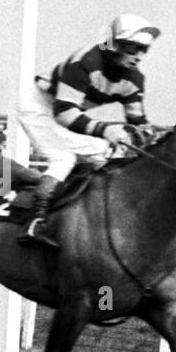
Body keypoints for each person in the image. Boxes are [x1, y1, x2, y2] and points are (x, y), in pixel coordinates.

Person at [15, 13, 155, 249]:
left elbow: (137, 121)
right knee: (64, 157)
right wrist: (105, 129)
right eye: (133, 48)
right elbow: (64, 114)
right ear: (114, 44)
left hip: (69, 110)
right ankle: (35, 222)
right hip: (38, 105)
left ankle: (79, 216)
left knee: (107, 154)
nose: (139, 56)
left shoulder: (134, 79)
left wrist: (148, 140)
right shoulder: (84, 63)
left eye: (144, 50)